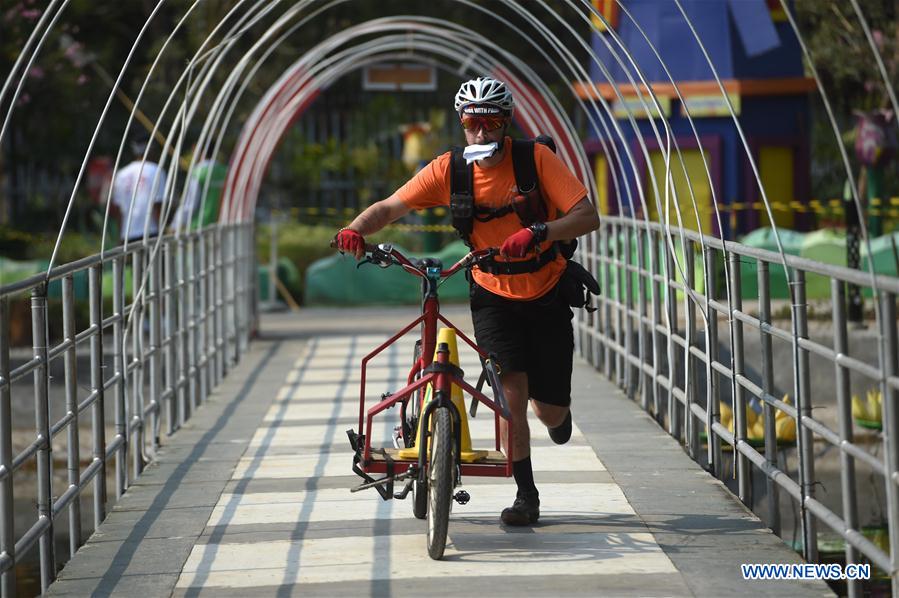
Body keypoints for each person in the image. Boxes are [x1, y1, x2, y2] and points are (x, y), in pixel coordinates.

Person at [335, 76, 599, 526]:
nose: (481, 133)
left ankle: (557, 415)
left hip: (547, 288)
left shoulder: (534, 159)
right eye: (472, 123)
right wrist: (355, 228)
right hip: (492, 293)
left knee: (548, 408)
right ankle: (526, 495)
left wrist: (539, 232)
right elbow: (390, 206)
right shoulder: (450, 170)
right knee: (512, 392)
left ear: (505, 123)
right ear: (462, 124)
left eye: (490, 123)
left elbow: (586, 215)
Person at [110, 134, 168, 243]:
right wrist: (162, 232)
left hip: (127, 234)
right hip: (151, 231)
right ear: (151, 149)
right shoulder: (157, 171)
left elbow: (118, 209)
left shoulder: (122, 174)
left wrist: (120, 237)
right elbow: (158, 205)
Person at [172, 146, 226, 230]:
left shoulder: (198, 172)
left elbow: (191, 203)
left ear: (201, 152)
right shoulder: (225, 171)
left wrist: (176, 224)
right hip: (221, 224)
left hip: (198, 225)